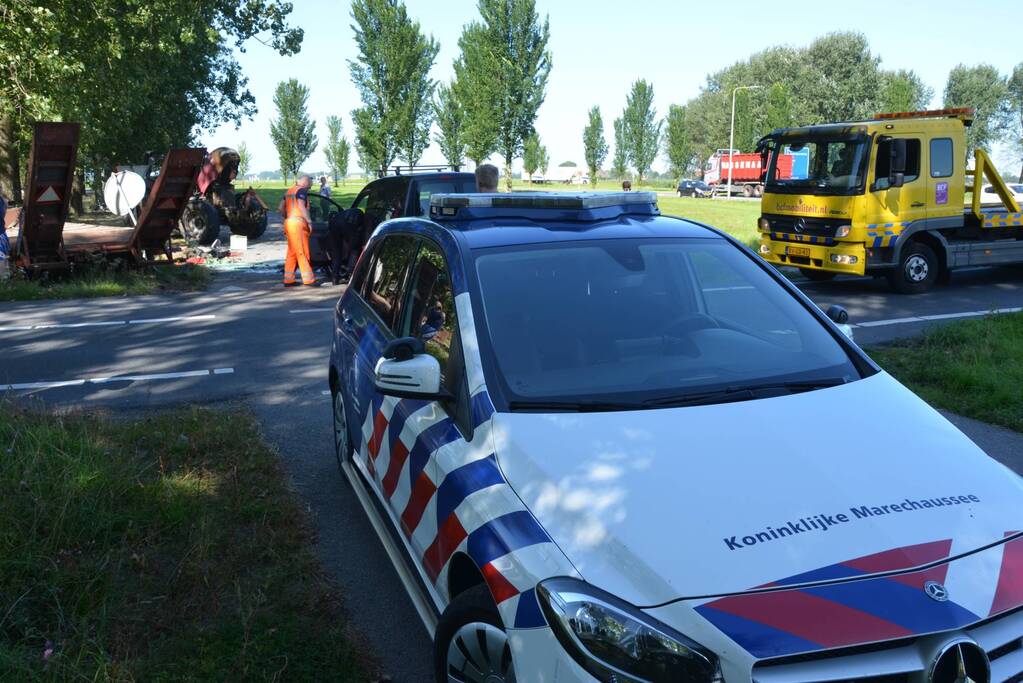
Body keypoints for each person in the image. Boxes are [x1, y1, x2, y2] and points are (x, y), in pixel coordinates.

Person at [277, 175, 317, 287]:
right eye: (309, 186)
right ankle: (309, 280)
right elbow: (301, 206)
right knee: (302, 251)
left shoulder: (289, 191)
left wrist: (288, 218)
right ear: (305, 183)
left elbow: (280, 208)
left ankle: (289, 280)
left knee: (292, 252)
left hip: (289, 223)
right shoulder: (301, 191)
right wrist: (309, 221)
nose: (309, 189)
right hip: (298, 223)